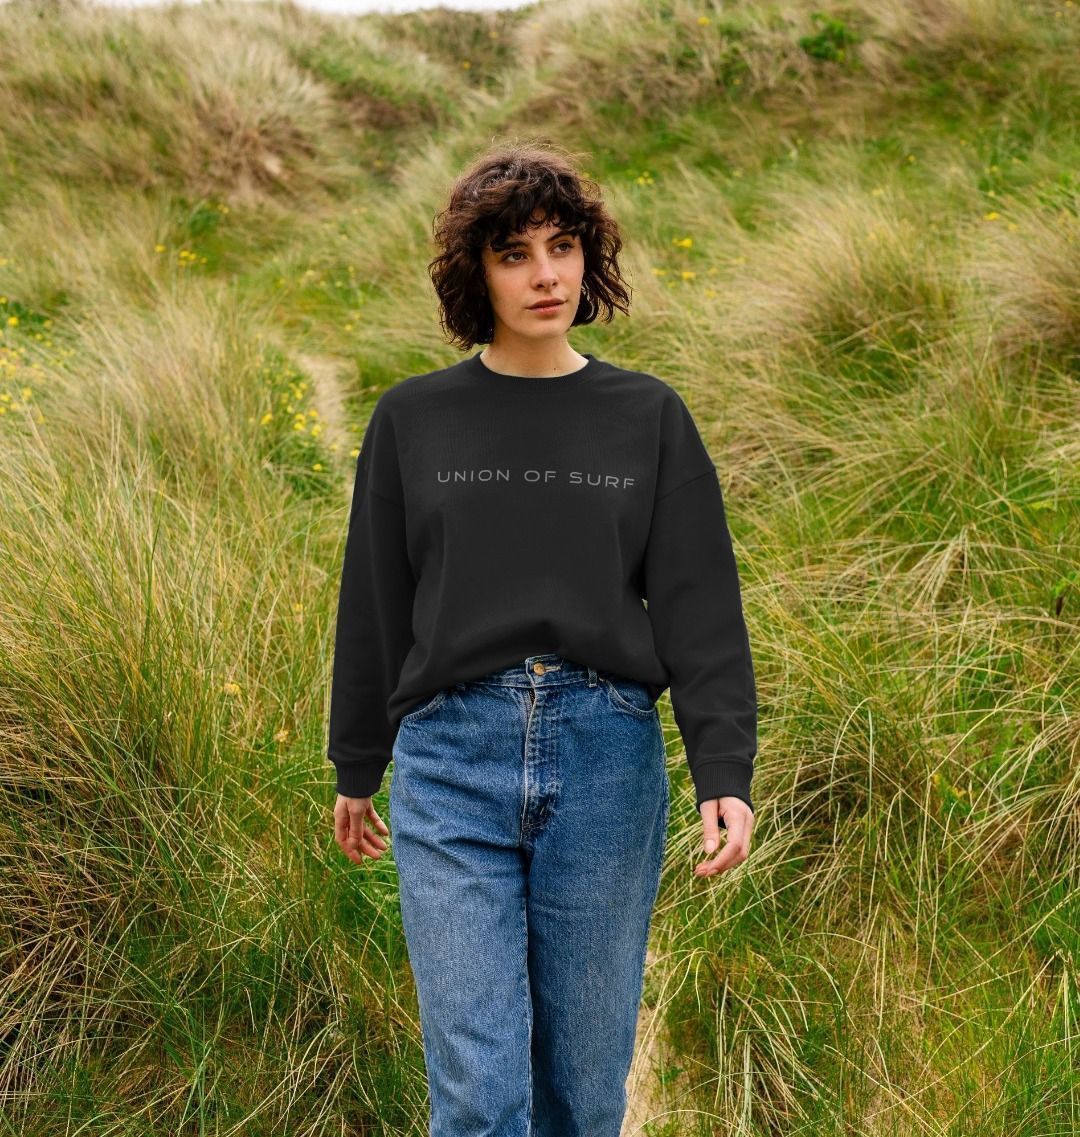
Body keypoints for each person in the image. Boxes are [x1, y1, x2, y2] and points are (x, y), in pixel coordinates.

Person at [327, 140, 757, 1137]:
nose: (545, 274)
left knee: (580, 1093)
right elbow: (376, 601)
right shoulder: (413, 419)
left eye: (562, 246)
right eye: (514, 253)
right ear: (475, 273)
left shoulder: (648, 416)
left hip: (606, 761)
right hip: (451, 760)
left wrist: (723, 768)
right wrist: (358, 761)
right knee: (480, 1097)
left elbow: (698, 604)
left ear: (588, 257)